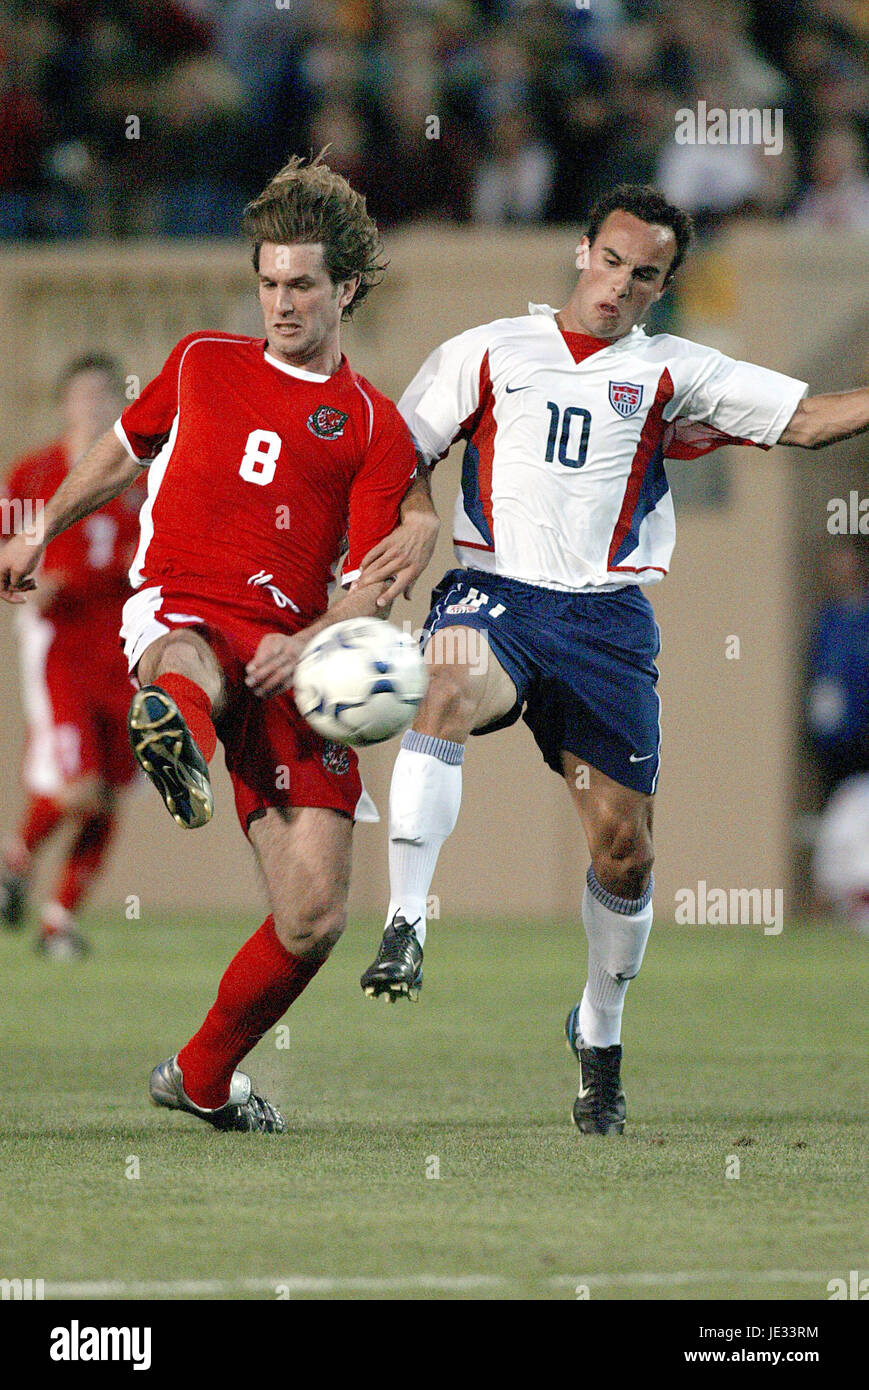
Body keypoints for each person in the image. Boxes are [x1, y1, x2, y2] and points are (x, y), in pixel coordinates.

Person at [357, 182, 869, 1135]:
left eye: (644, 275)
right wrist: (419, 512)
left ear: (663, 286)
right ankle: (407, 921)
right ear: (581, 251)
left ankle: (598, 1030)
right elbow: (394, 453)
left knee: (624, 855)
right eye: (610, 261)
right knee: (447, 679)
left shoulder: (674, 370)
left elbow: (806, 419)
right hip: (494, 593)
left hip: (605, 625)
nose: (620, 285)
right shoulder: (486, 350)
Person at [0, 154, 439, 1133]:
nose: (280, 303)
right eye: (269, 282)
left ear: (345, 290)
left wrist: (317, 638)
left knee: (314, 914)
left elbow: (374, 576)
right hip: (182, 603)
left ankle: (199, 1078)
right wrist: (40, 527)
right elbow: (122, 450)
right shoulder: (202, 359)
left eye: (302, 285)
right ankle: (181, 737)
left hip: (293, 650)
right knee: (188, 658)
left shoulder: (372, 425)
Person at [0, 354, 146, 959]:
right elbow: (6, 550)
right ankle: (17, 860)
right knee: (78, 786)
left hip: (128, 647)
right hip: (60, 642)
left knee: (108, 793)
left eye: (103, 394)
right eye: (82, 394)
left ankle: (58, 919)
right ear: (64, 403)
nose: (92, 405)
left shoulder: (141, 476)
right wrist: (27, 580)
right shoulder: (34, 473)